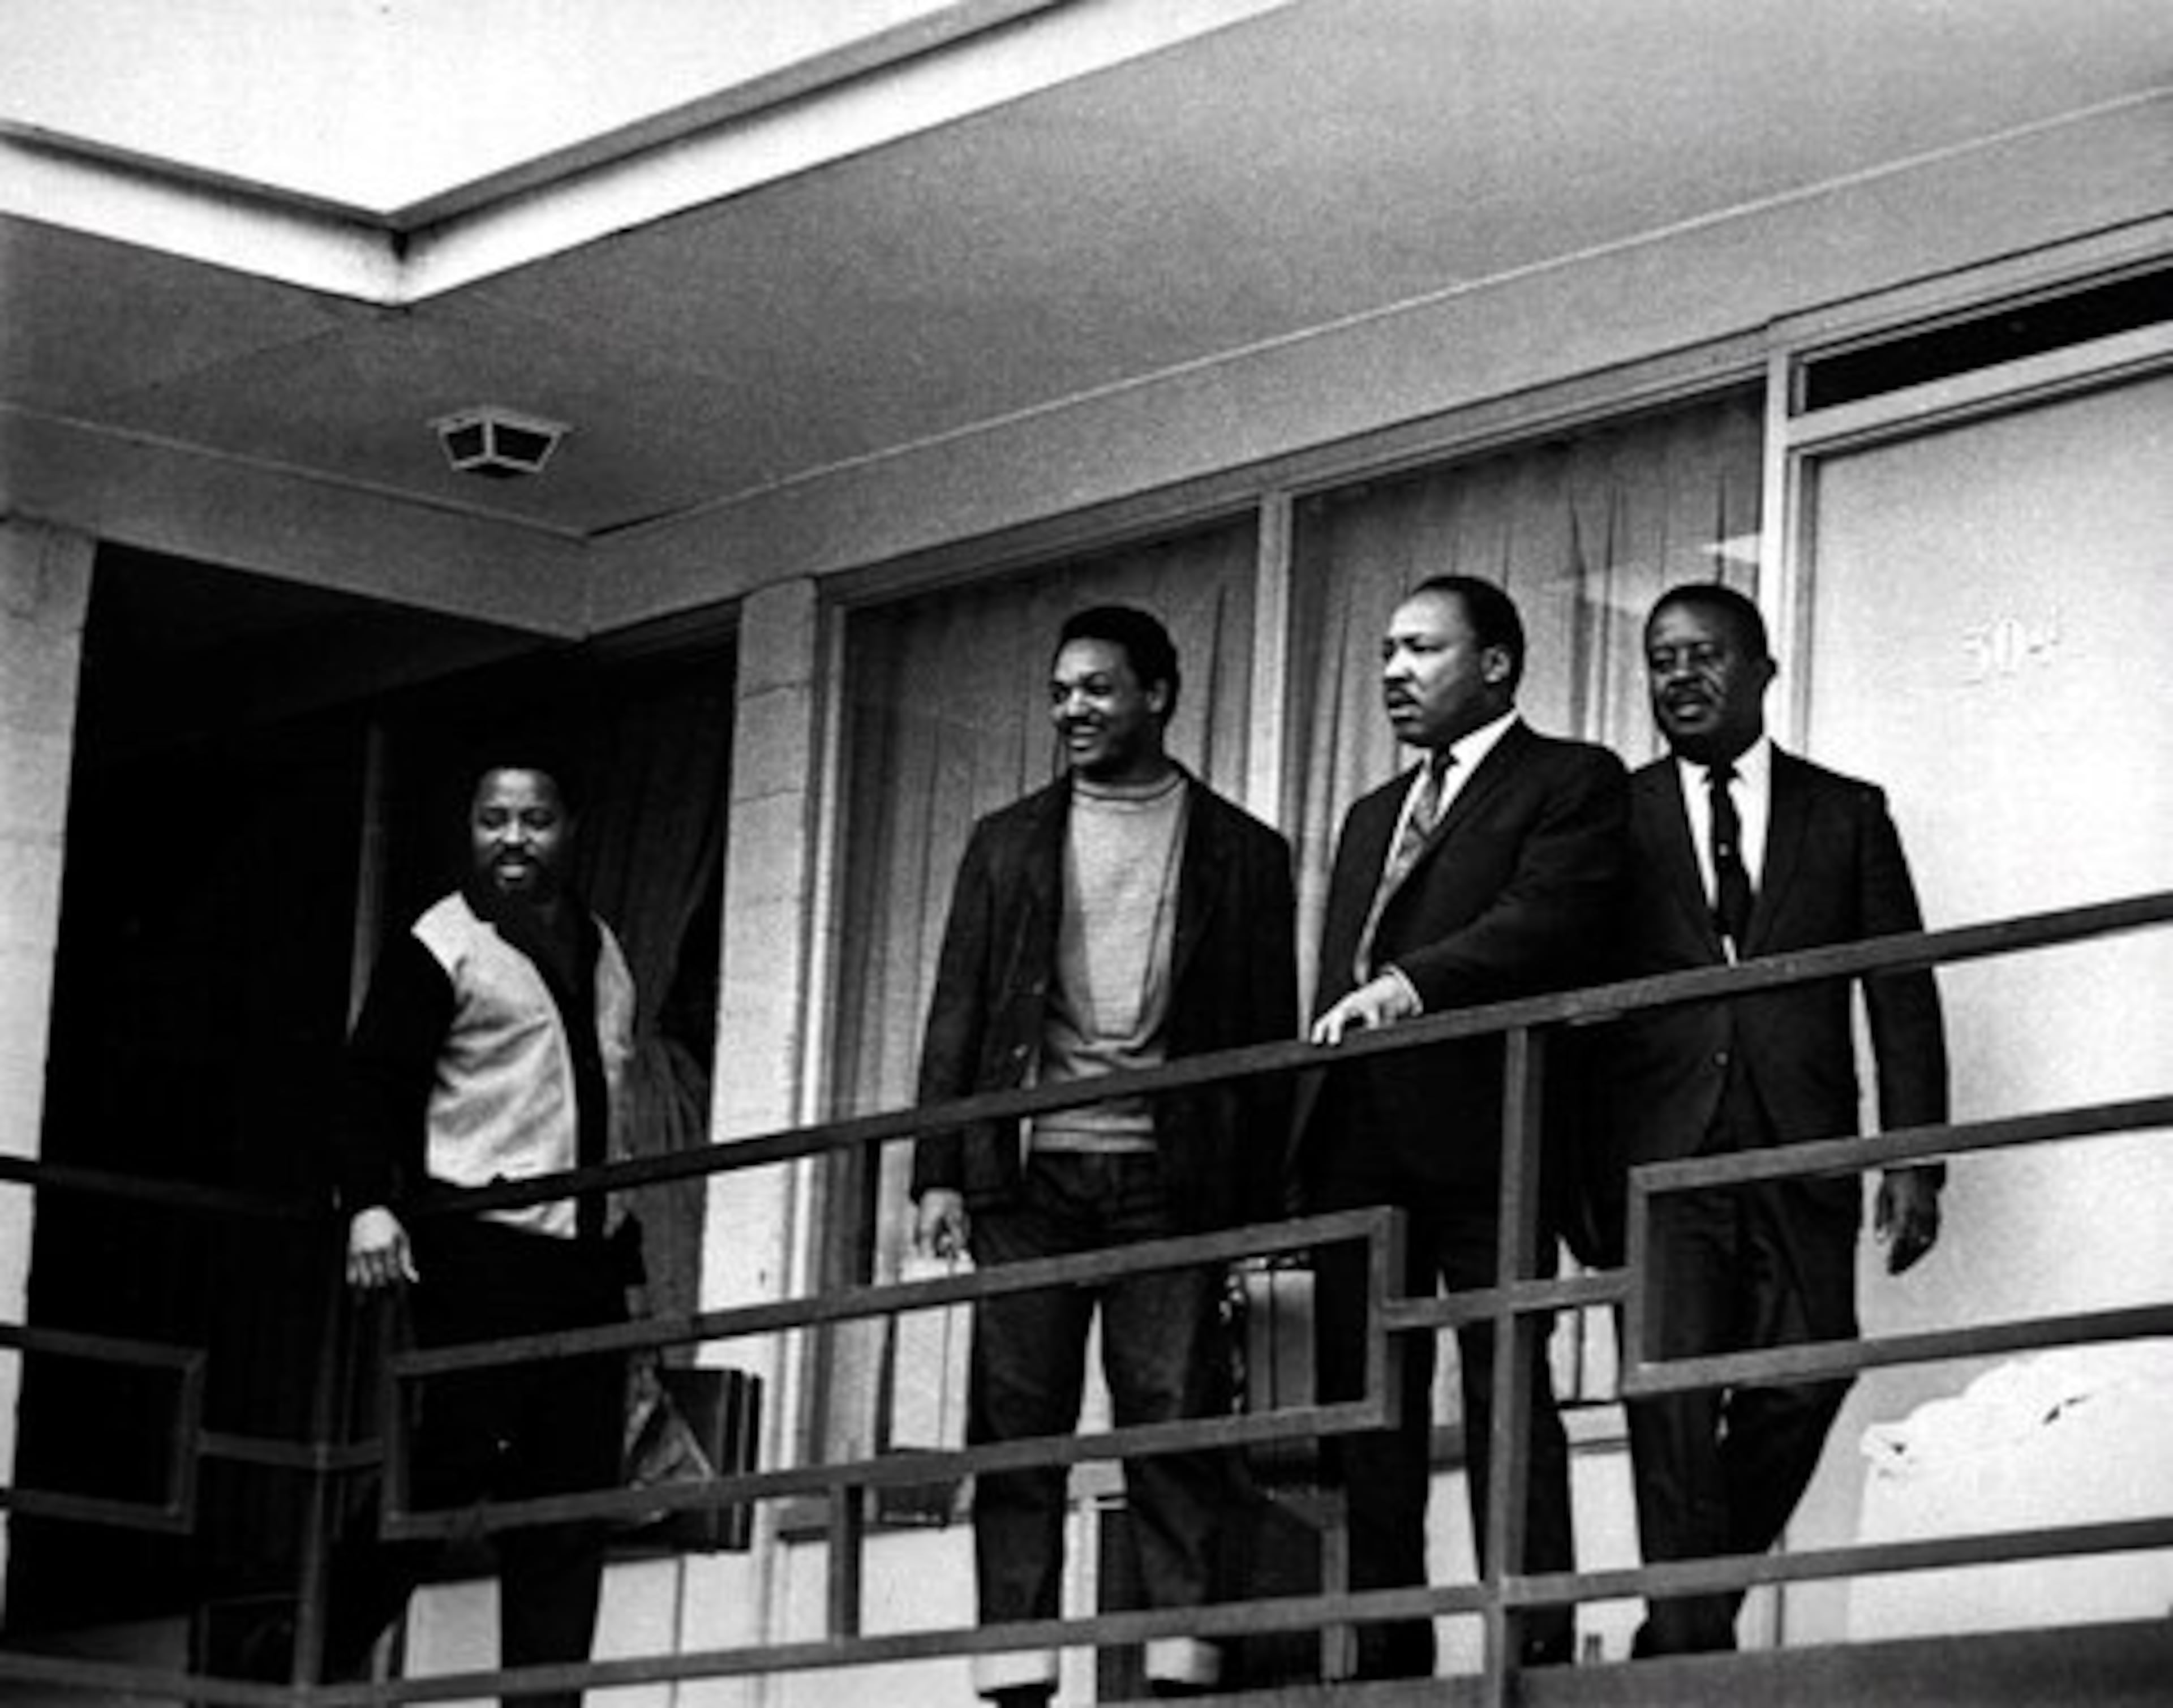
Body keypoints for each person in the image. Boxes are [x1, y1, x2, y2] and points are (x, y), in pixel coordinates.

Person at [909, 606, 1296, 1706]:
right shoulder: (1005, 840)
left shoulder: (1244, 852)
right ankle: (1017, 1669)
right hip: (1027, 1183)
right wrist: (939, 1168)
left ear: (1159, 695)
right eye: (1059, 692)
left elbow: (1265, 1044)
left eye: (1097, 689)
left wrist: (1257, 1209)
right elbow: (959, 1012)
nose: (1073, 710)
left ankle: (1182, 1663)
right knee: (1014, 1422)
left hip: (1171, 1186)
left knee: (1172, 1417)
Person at [1596, 582, 1947, 1656]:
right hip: (1663, 1158)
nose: (1681, 677)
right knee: (1668, 1402)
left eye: (1704, 654)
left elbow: (1898, 986)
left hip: (1803, 1143)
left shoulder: (1847, 811)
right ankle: (1691, 1654)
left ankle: (1682, 1627)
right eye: (1662, 659)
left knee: (1808, 1372)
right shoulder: (1616, 815)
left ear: (1761, 670)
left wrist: (1914, 1157)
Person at [1297, 574, 1627, 1679]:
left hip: (1497, 1132)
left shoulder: (1570, 780)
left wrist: (1408, 988)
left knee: (1505, 1387)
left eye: (1422, 650)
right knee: (1368, 1409)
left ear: (1494, 664)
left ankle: (1528, 1642)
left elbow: (1548, 922)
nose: (1393, 672)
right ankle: (1387, 1649)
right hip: (1358, 1142)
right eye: (1386, 651)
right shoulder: (1366, 817)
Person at [327, 759, 639, 1708]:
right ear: (470, 828)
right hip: (484, 1249)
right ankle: (285, 1665)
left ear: (569, 827)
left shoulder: (602, 942)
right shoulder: (441, 941)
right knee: (445, 1473)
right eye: (494, 819)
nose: (514, 838)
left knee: (569, 1505)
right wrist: (370, 1201)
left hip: (586, 1261)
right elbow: (374, 1080)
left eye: (536, 819)